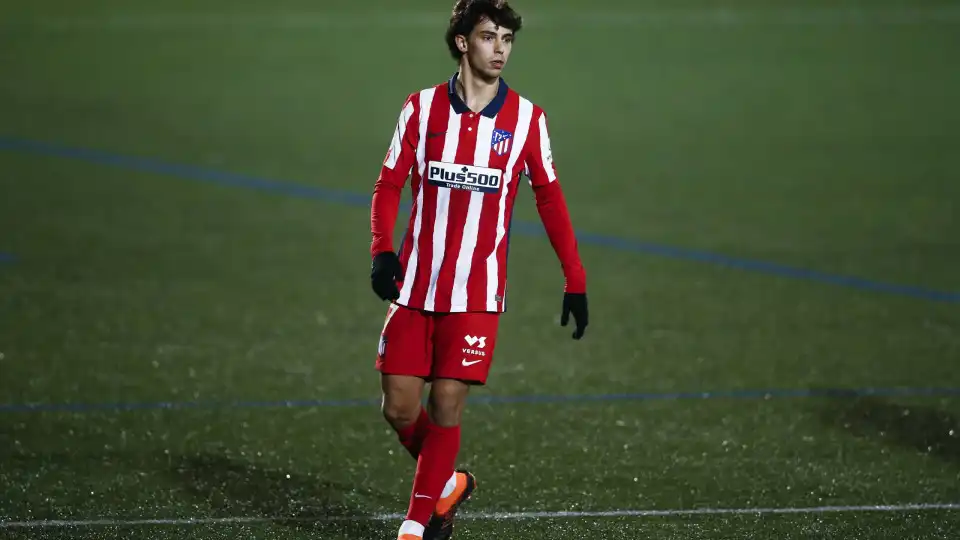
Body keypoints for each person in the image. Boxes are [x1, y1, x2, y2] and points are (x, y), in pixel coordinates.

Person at [368, 1, 589, 538]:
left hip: (477, 293)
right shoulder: (420, 110)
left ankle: (416, 524)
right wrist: (382, 251)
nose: (501, 50)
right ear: (463, 42)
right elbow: (389, 184)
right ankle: (445, 483)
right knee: (398, 408)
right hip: (415, 284)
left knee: (446, 404)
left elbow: (550, 199)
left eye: (507, 40)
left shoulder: (527, 120)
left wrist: (575, 278)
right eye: (490, 37)